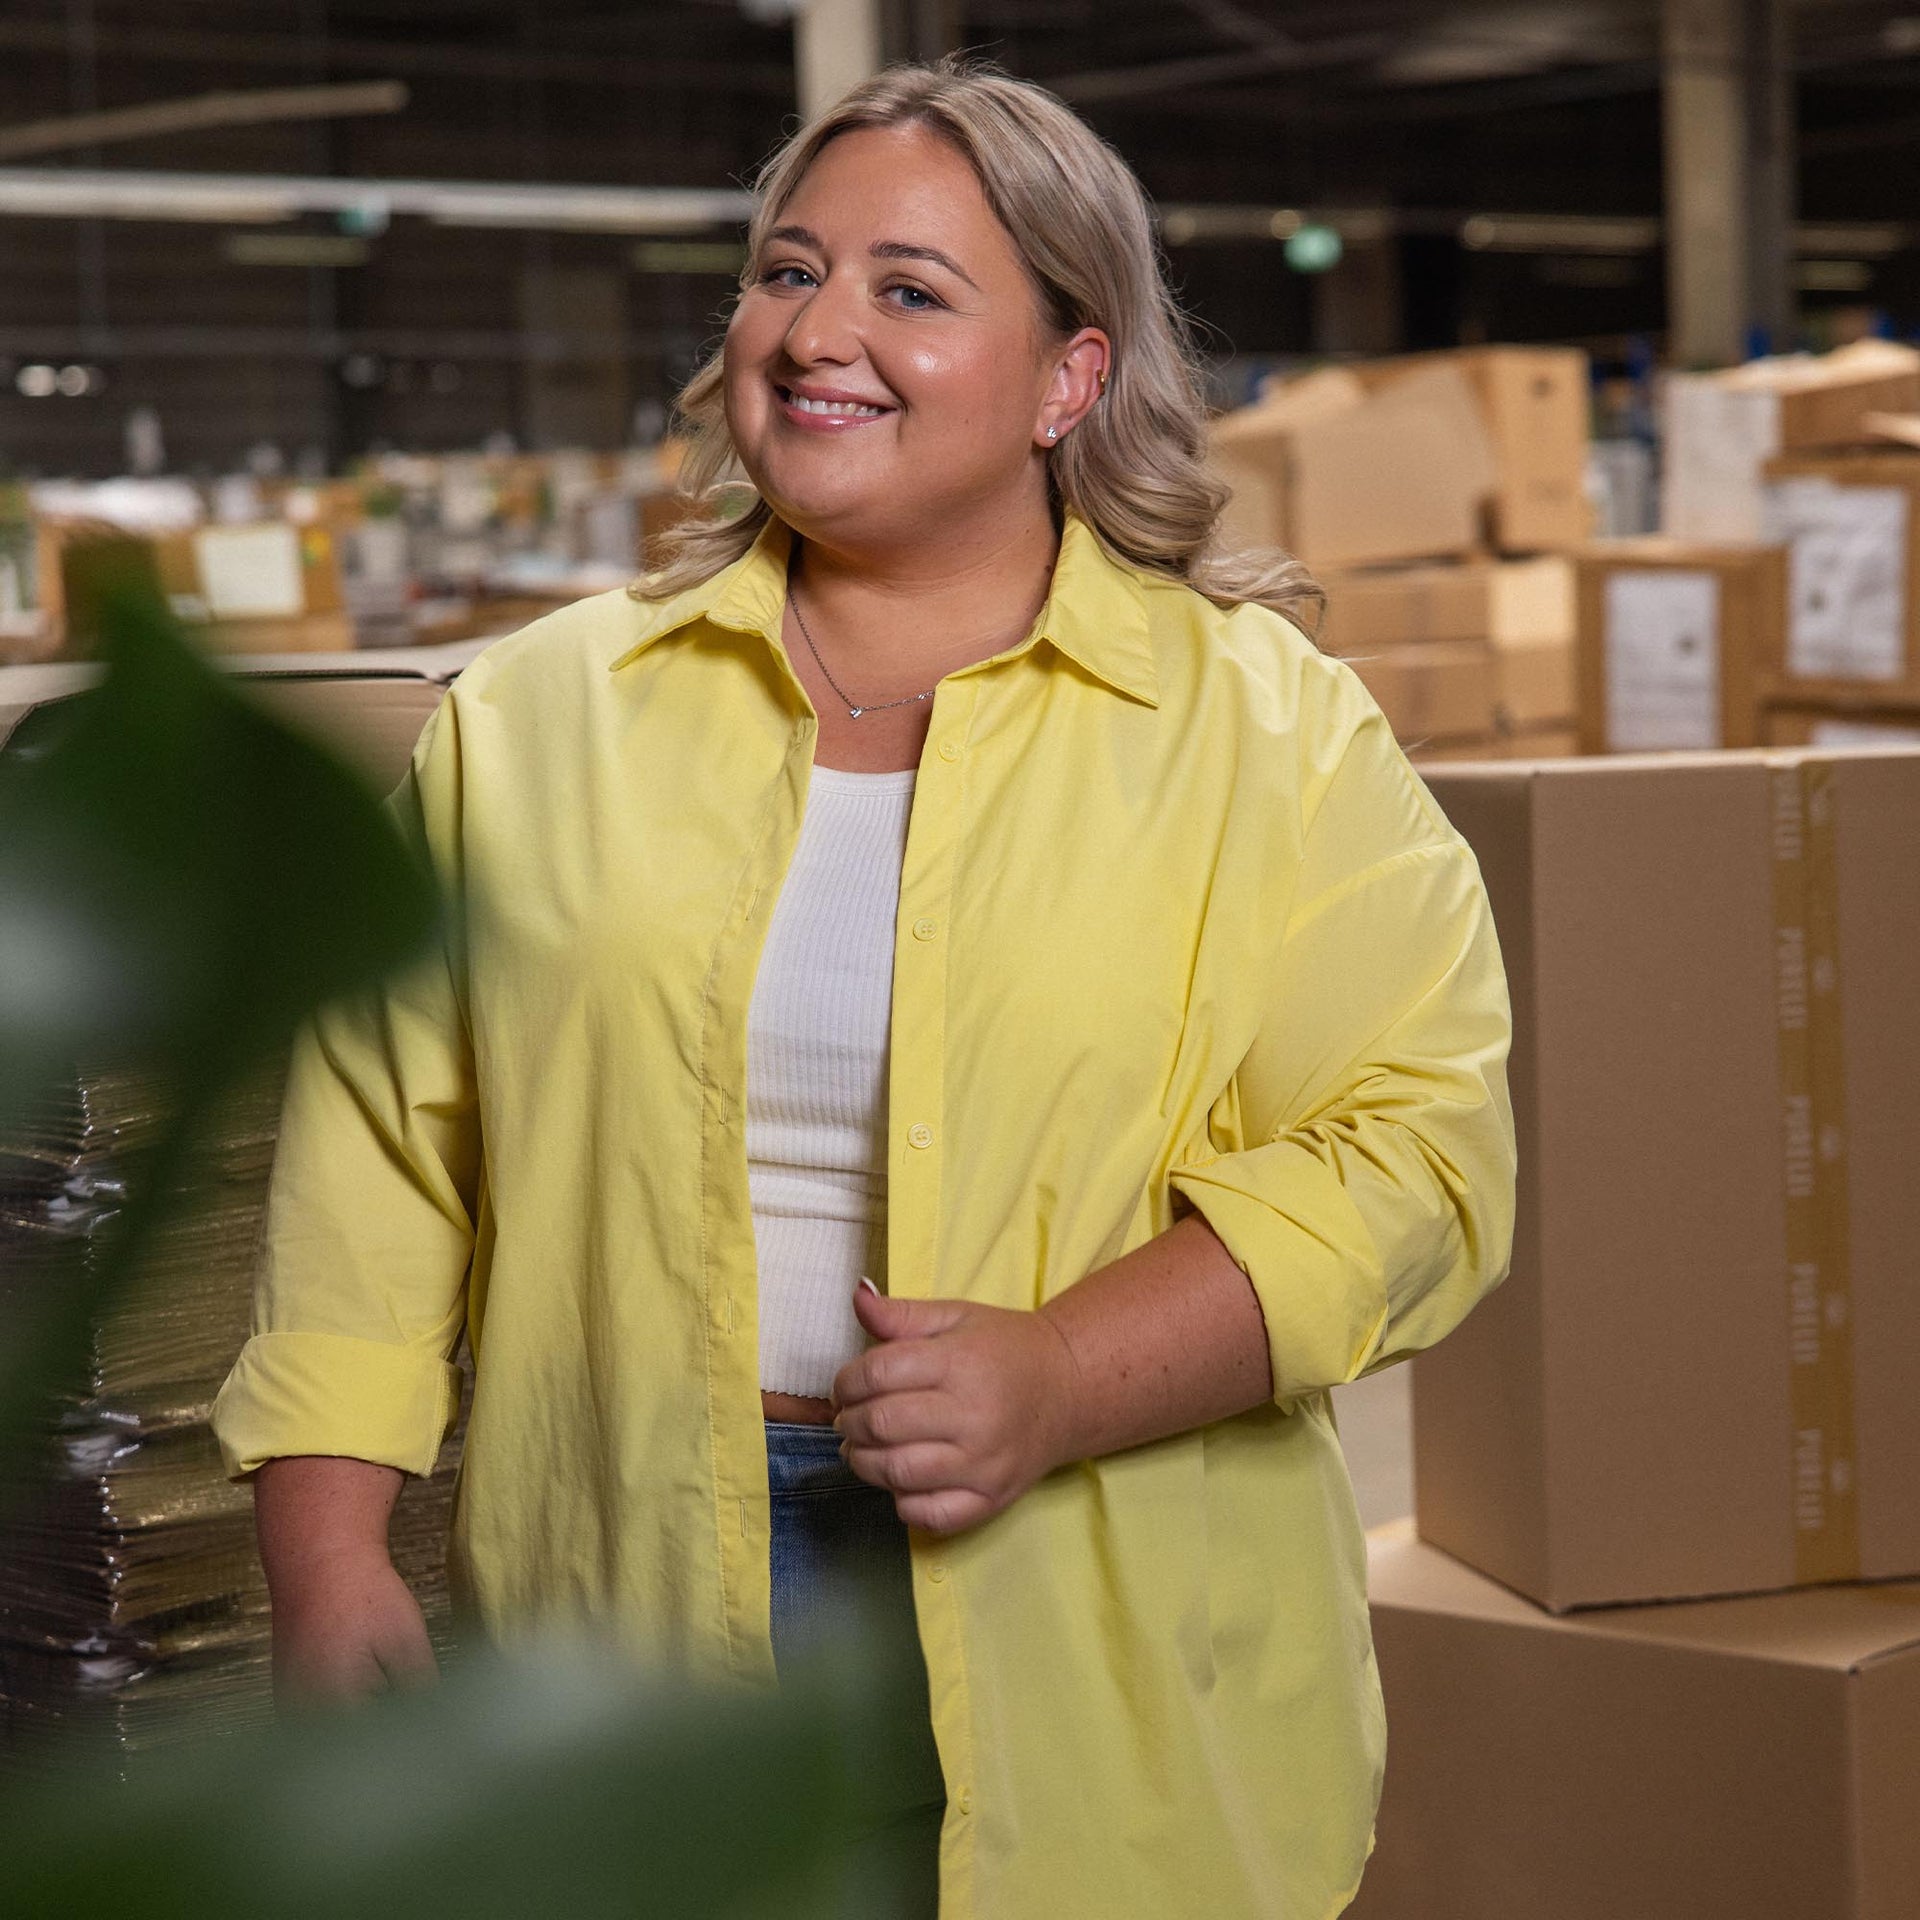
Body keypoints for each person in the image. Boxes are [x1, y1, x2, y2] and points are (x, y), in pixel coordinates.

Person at [212, 58, 1516, 1920]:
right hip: (632, 1589)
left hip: (1102, 1598)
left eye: (912, 289)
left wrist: (1062, 1373)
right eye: (786, 271)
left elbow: (1426, 1154)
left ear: (1073, 373)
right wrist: (327, 1550)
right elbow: (380, 1167)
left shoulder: (1266, 734)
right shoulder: (536, 722)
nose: (819, 331)